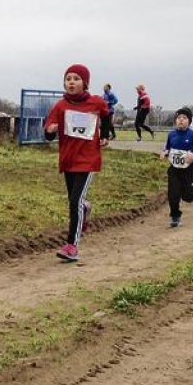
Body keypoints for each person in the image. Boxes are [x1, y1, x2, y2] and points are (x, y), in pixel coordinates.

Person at [43, 64, 111, 261]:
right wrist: (50, 131)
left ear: (85, 83)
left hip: (88, 159)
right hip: (68, 159)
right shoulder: (60, 106)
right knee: (75, 201)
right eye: (68, 79)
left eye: (76, 79)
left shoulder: (96, 102)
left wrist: (105, 135)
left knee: (75, 202)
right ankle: (85, 208)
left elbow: (106, 115)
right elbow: (48, 132)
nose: (71, 82)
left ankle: (72, 246)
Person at [159, 108, 193, 228]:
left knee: (188, 197)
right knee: (173, 194)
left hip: (188, 170)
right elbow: (167, 148)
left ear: (189, 121)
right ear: (175, 121)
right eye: (178, 118)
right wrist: (164, 153)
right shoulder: (171, 134)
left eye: (184, 118)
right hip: (174, 169)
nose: (181, 120)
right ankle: (175, 217)